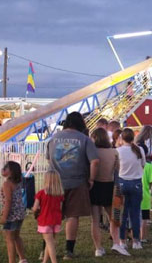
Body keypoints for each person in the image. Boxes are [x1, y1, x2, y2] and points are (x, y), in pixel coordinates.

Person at [47, 111, 99, 259]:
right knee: (72, 215)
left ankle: (46, 249)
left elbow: (49, 159)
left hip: (54, 182)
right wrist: (91, 179)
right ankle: (68, 250)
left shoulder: (53, 139)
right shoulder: (85, 139)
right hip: (77, 181)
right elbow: (95, 161)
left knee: (52, 216)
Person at [89, 127, 128, 256]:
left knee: (95, 220)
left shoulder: (93, 152)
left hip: (95, 186)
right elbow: (117, 170)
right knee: (114, 217)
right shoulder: (114, 152)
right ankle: (116, 243)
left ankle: (98, 248)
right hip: (110, 186)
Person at [116, 128, 144, 251]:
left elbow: (115, 167)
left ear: (122, 138)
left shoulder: (118, 151)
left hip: (122, 182)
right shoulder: (139, 150)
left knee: (123, 213)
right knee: (135, 213)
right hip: (136, 182)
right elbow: (143, 164)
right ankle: (136, 240)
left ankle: (122, 240)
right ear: (133, 137)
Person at [32, 171, 64, 263]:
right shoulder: (60, 194)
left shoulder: (41, 193)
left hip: (45, 220)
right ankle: (44, 261)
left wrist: (35, 210)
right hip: (56, 220)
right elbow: (60, 208)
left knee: (50, 243)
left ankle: (54, 261)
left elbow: (35, 208)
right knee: (49, 242)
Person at [1, 161, 27, 263]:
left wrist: (4, 216)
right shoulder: (19, 181)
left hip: (11, 215)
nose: (3, 169)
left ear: (11, 172)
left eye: (5, 167)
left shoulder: (7, 184)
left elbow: (8, 201)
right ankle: (23, 259)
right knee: (16, 236)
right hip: (20, 213)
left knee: (9, 239)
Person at [140, 155, 152, 243]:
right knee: (144, 218)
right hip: (145, 195)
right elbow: (150, 181)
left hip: (134, 194)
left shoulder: (134, 164)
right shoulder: (148, 166)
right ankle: (143, 237)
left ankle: (132, 237)